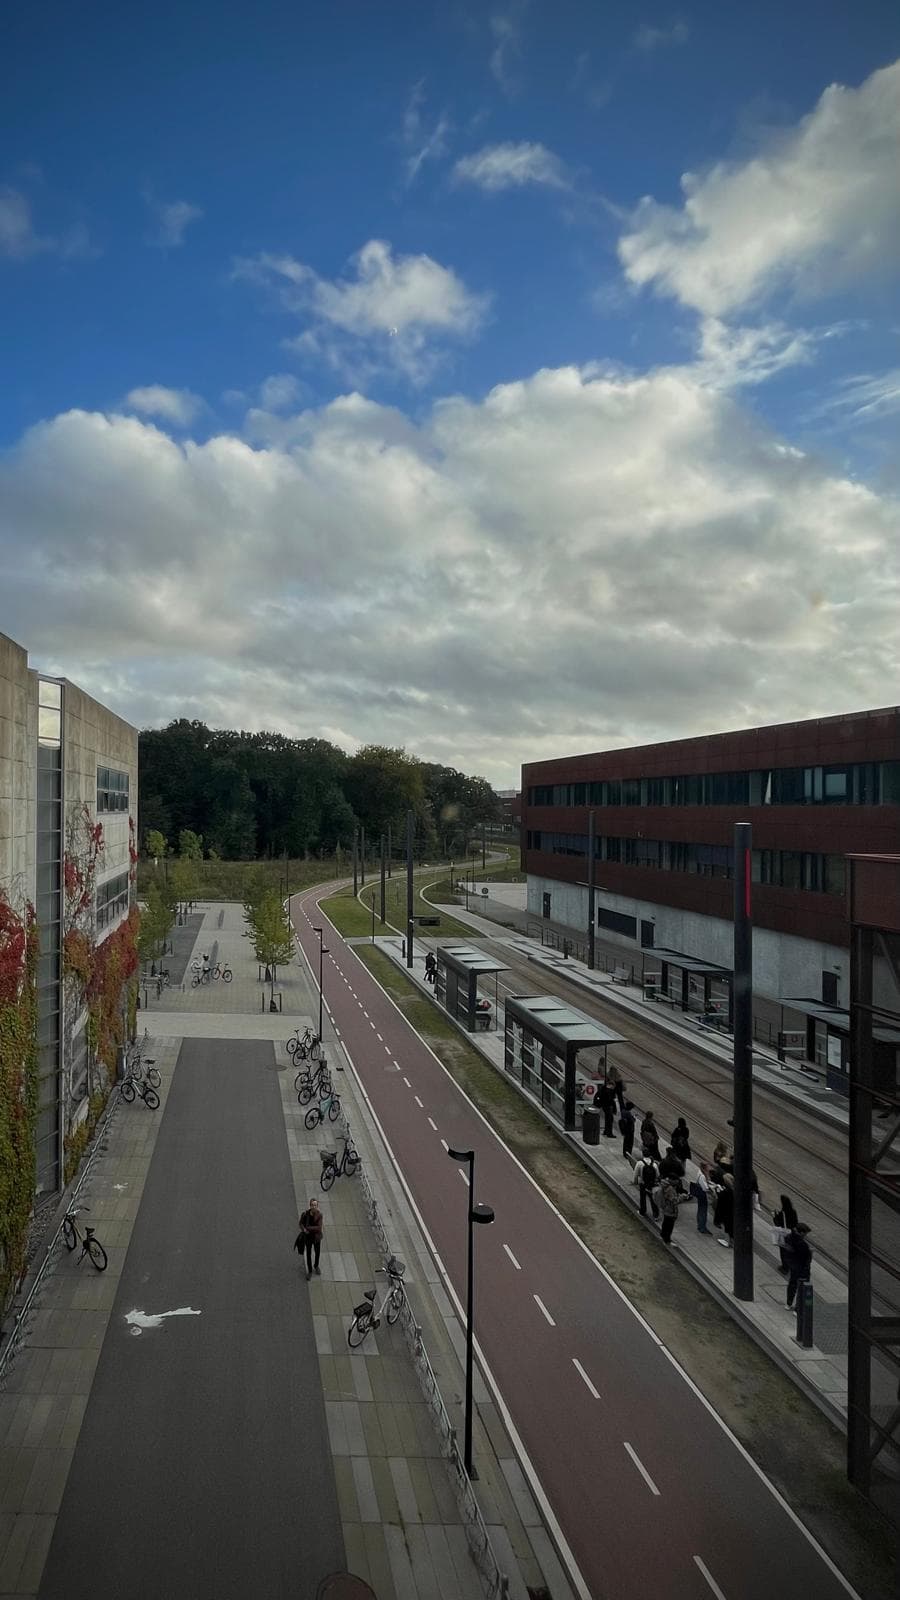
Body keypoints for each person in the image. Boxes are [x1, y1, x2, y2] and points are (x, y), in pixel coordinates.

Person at [296, 1198, 324, 1280]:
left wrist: (308, 1228)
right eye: (312, 1205)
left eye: (315, 1205)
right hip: (308, 1238)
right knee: (308, 1254)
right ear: (310, 1205)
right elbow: (300, 1223)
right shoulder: (305, 1214)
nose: (314, 1206)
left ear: (317, 1206)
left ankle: (316, 1265)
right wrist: (304, 1229)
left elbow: (319, 1228)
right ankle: (310, 1271)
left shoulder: (319, 1215)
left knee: (317, 1253)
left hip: (316, 1238)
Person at [785, 1223, 812, 1308]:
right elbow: (804, 1257)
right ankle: (798, 1308)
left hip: (793, 1265)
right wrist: (809, 1252)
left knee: (792, 1284)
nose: (806, 1235)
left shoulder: (789, 1237)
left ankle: (789, 1303)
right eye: (805, 1233)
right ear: (801, 1233)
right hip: (802, 1268)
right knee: (802, 1288)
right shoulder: (802, 1244)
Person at [773, 1194, 799, 1274]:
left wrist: (775, 1216)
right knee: (791, 1250)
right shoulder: (793, 1211)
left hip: (784, 1235)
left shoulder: (782, 1213)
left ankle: (785, 1268)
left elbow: (777, 1224)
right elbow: (795, 1223)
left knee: (783, 1251)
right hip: (791, 1233)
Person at [659, 1174, 682, 1244]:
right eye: (676, 1180)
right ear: (673, 1180)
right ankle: (667, 1239)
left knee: (665, 1223)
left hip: (666, 1208)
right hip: (670, 1210)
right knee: (669, 1226)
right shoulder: (670, 1189)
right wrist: (681, 1197)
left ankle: (663, 1235)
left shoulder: (665, 1185)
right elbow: (674, 1201)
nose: (678, 1182)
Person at [636, 1154, 660, 1220]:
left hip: (643, 1183)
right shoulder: (654, 1164)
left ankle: (642, 1212)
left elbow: (636, 1174)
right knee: (653, 1199)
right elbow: (658, 1175)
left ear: (643, 1154)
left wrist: (635, 1182)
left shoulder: (640, 1163)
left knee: (643, 1198)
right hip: (652, 1184)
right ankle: (656, 1215)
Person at [691, 1161, 711, 1234]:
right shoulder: (702, 1176)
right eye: (708, 1167)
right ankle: (702, 1227)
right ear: (705, 1167)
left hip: (699, 1193)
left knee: (700, 1209)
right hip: (702, 1194)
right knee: (703, 1210)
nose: (709, 1168)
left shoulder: (699, 1172)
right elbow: (705, 1188)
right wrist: (710, 1187)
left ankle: (700, 1225)